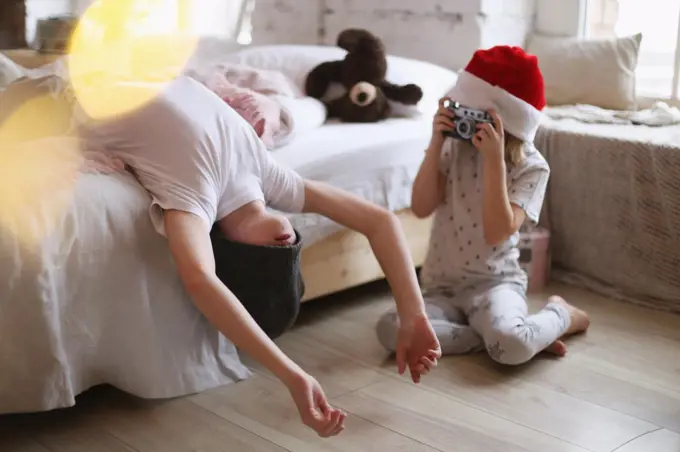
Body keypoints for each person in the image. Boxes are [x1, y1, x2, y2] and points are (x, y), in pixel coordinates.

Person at [76, 75, 442, 438]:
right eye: (289, 252)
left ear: (234, 250)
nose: (285, 241)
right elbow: (378, 221)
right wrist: (413, 314)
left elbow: (201, 279)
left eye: (270, 256)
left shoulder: (193, 200)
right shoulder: (269, 177)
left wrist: (292, 376)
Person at [376, 45, 590, 366]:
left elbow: (496, 231)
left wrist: (494, 161)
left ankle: (561, 315)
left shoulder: (532, 167)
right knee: (389, 330)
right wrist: (436, 142)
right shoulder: (455, 146)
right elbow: (421, 207)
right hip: (440, 286)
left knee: (511, 344)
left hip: (494, 284)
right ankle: (504, 338)